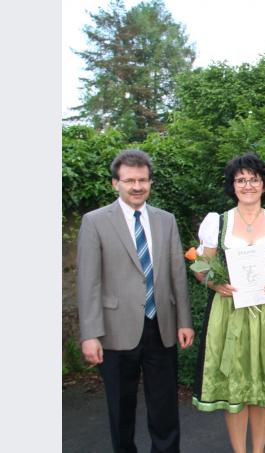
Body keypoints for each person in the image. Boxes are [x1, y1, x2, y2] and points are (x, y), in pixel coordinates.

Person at [77, 149, 194, 453]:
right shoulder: (95, 222)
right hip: (115, 331)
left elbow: (177, 274)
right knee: (121, 409)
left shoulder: (166, 220)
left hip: (162, 326)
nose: (137, 186)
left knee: (165, 407)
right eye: (130, 181)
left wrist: (184, 321)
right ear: (115, 183)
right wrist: (90, 335)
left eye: (143, 180)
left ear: (150, 182)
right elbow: (88, 282)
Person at [191, 153, 265, 453]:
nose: (247, 185)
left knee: (261, 386)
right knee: (236, 387)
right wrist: (215, 283)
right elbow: (200, 267)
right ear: (232, 185)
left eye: (254, 179)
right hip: (229, 311)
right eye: (241, 180)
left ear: (264, 185)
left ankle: (259, 450)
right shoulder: (217, 222)